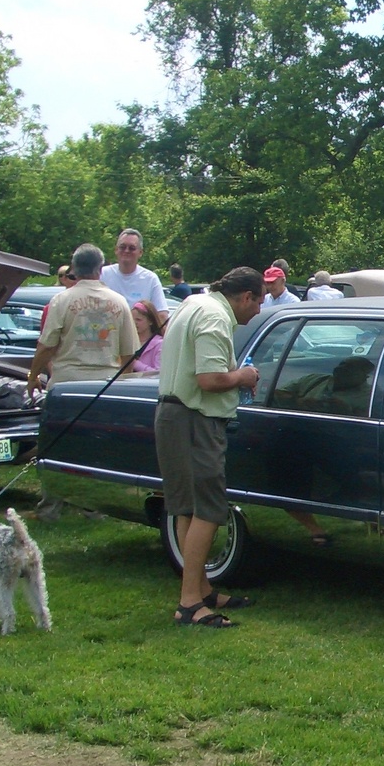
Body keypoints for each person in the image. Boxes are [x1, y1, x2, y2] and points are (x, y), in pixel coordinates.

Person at [155, 267, 265, 628]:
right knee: (209, 509)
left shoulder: (192, 302)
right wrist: (244, 377)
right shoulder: (216, 317)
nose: (259, 310)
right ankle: (189, 604)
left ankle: (202, 589)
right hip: (194, 419)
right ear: (245, 296)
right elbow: (210, 379)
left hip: (174, 415)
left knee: (188, 508)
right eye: (259, 301)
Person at [27, 243, 137, 398]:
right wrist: (119, 385)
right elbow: (129, 353)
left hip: (66, 384)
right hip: (105, 386)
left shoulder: (61, 300)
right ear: (100, 269)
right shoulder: (120, 302)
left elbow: (46, 347)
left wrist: (33, 377)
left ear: (74, 268)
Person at [100, 227, 169, 313]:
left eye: (132, 248)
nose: (126, 250)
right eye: (122, 247)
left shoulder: (150, 279)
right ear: (116, 250)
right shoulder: (102, 274)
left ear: (140, 252)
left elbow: (161, 314)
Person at [130, 302, 166, 372]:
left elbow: (158, 374)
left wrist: (135, 364)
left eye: (138, 319)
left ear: (150, 321)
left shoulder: (160, 344)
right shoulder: (128, 343)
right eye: (131, 320)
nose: (134, 323)